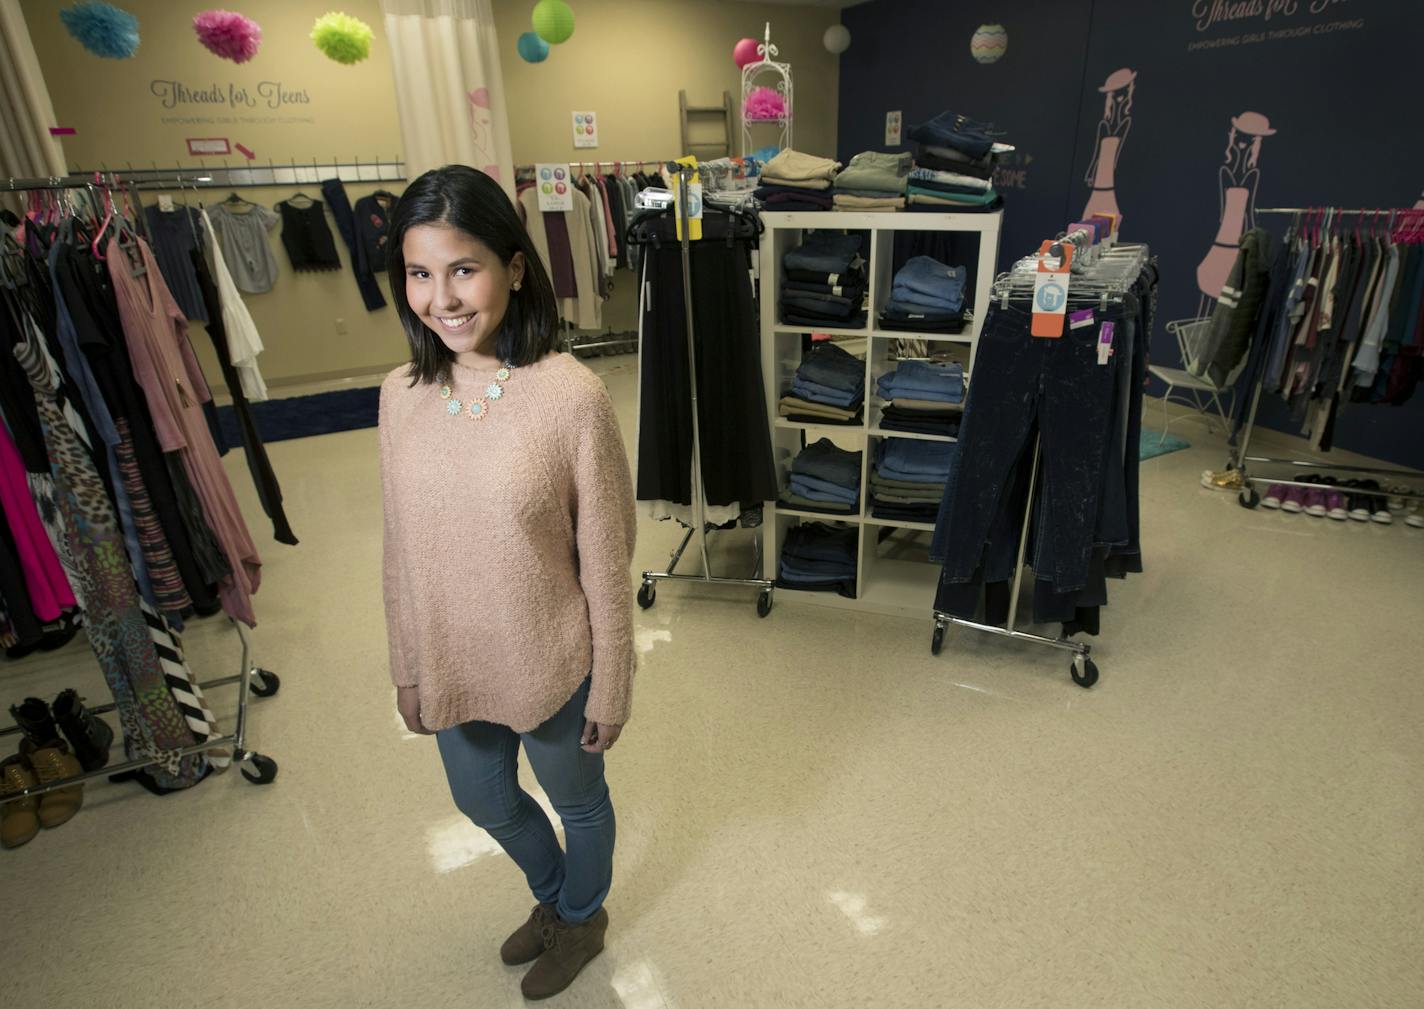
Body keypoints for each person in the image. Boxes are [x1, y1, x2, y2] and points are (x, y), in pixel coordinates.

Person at [378, 165, 637, 1000]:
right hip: (455, 657)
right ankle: (556, 895)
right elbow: (399, 548)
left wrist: (615, 683)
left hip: (553, 661)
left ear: (514, 267)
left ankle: (581, 913)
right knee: (484, 800)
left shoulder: (570, 396)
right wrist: (407, 664)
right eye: (420, 273)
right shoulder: (399, 395)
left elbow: (605, 554)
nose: (442, 298)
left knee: (579, 802)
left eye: (463, 268)